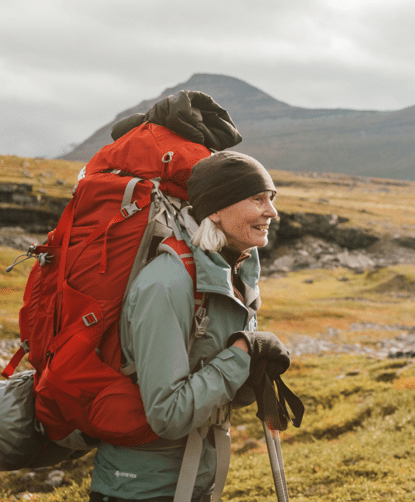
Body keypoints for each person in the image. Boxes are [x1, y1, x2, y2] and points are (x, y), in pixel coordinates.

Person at [89, 151, 291, 502]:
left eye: (271, 199)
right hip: (140, 489)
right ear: (215, 210)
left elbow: (217, 392)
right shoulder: (167, 284)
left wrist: (252, 368)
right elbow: (168, 414)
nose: (271, 211)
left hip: (195, 480)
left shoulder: (233, 275)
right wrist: (242, 353)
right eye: (257, 199)